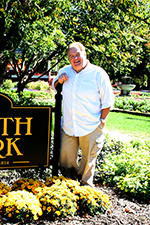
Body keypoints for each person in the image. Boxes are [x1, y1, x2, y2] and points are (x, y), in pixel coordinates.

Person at [52, 42, 115, 186]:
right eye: (71, 56)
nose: (75, 58)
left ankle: (86, 190)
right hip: (69, 126)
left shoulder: (98, 73)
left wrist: (102, 121)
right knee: (66, 159)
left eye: (77, 55)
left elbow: (108, 101)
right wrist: (59, 80)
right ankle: (68, 186)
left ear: (84, 54)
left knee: (88, 162)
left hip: (91, 126)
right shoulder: (65, 70)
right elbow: (55, 85)